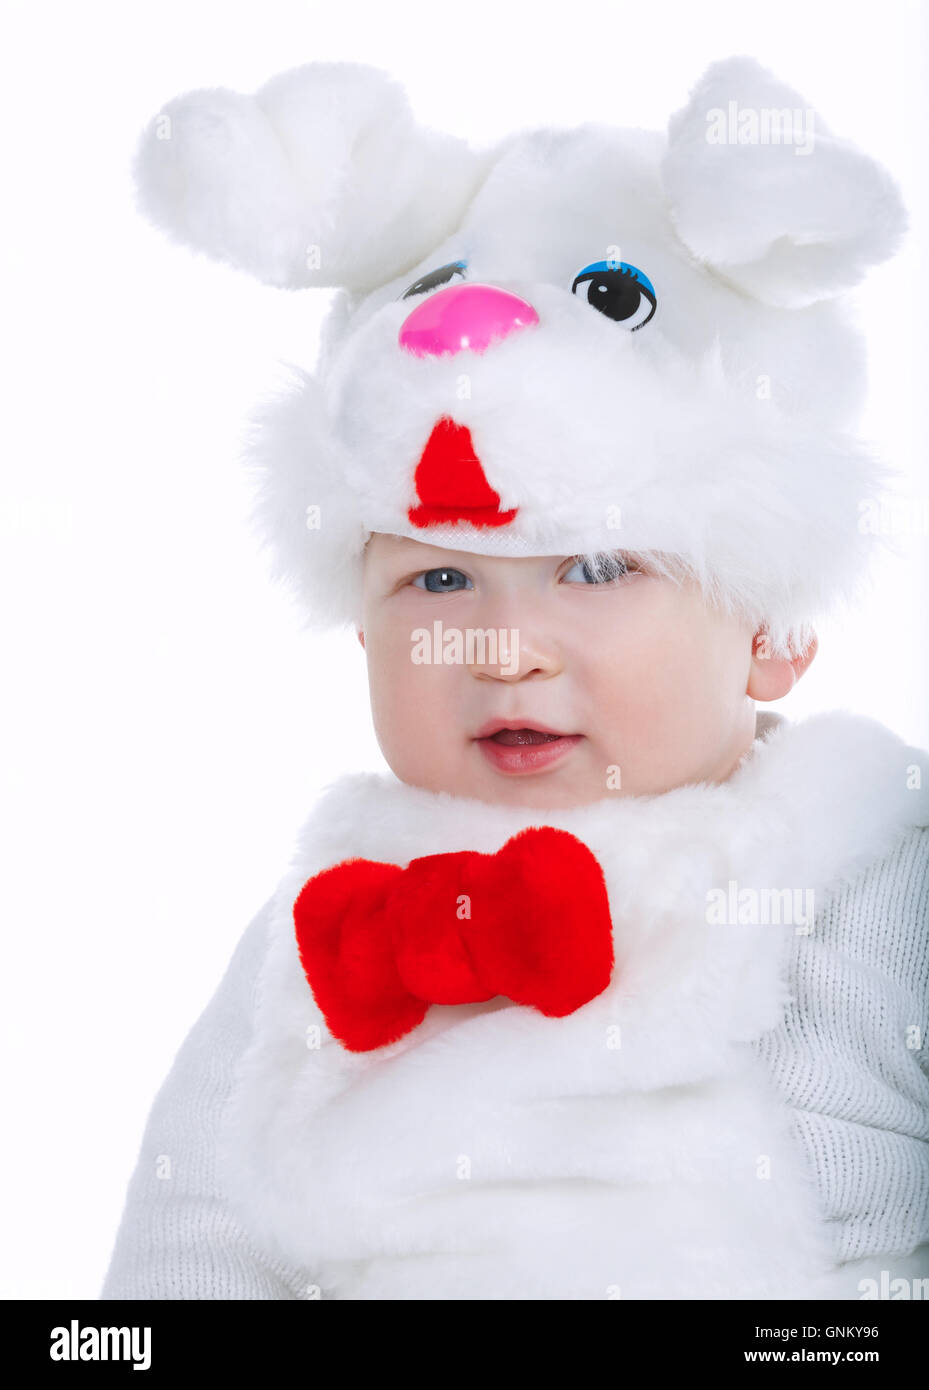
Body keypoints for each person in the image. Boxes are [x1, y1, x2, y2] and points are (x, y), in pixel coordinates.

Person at [101, 53, 928, 1299]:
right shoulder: (328, 921)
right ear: (362, 633)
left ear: (771, 625)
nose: (503, 647)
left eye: (594, 568)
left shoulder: (873, 876)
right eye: (438, 583)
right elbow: (191, 1246)